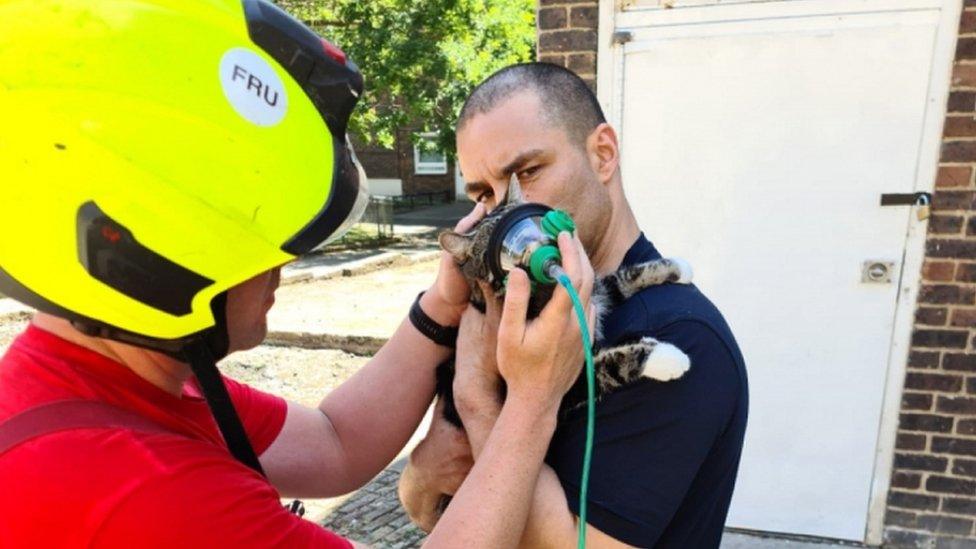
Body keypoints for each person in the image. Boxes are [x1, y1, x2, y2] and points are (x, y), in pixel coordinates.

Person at [0, 3, 593, 548]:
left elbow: (336, 443)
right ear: (151, 259)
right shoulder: (139, 488)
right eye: (255, 237)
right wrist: (532, 403)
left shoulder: (113, 379)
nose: (283, 263)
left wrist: (442, 303)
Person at [398, 63, 750, 548]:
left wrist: (479, 402)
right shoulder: (511, 310)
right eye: (483, 194)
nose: (506, 214)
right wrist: (421, 476)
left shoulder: (680, 336)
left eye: (527, 173)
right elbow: (422, 497)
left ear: (602, 155)